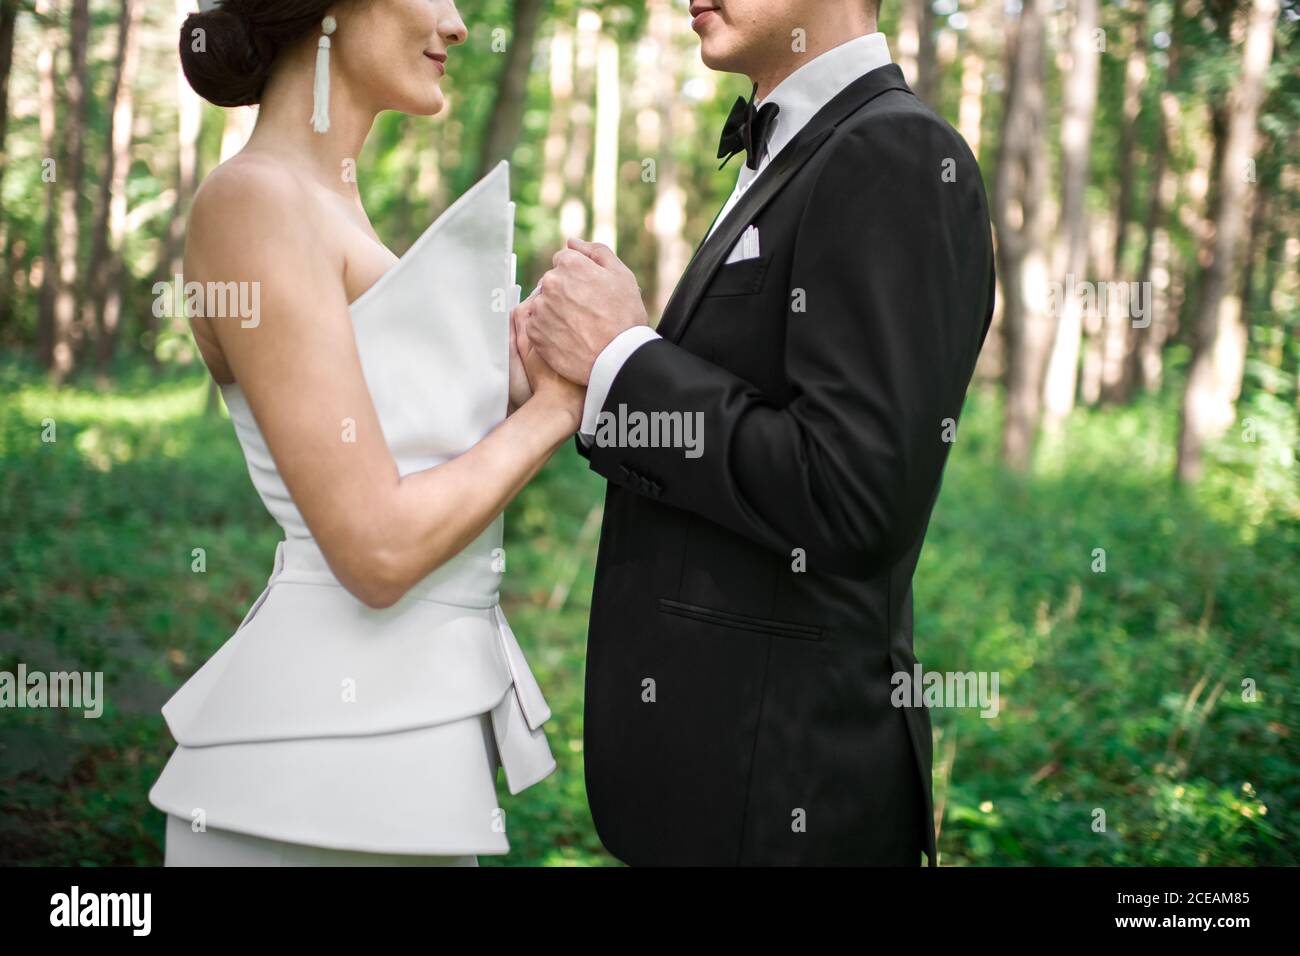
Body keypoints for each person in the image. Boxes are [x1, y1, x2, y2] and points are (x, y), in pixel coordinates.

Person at [519, 0, 996, 865]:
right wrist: (579, 369)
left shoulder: (893, 152)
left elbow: (854, 494)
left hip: (788, 795)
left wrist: (625, 357)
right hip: (718, 789)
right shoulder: (793, 152)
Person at [147, 0, 582, 866]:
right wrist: (551, 412)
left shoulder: (332, 210)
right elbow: (375, 550)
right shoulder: (253, 202)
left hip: (412, 753)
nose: (457, 25)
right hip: (306, 782)